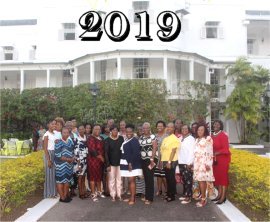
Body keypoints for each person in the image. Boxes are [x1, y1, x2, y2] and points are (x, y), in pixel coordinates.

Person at [120, 124, 142, 205]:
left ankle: (133, 198)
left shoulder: (134, 140)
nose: (129, 133)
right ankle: (131, 197)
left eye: (130, 131)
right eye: (127, 131)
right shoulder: (125, 139)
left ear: (133, 132)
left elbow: (136, 153)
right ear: (125, 132)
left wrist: (130, 163)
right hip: (125, 163)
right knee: (130, 181)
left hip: (132, 163)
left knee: (131, 180)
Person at [193, 124, 215, 207]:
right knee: (199, 180)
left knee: (202, 181)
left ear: (205, 131)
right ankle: (202, 195)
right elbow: (195, 152)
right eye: (198, 130)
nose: (200, 131)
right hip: (197, 163)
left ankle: (203, 199)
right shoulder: (196, 140)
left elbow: (210, 152)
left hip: (204, 163)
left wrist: (208, 164)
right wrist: (192, 163)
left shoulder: (208, 139)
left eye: (201, 130)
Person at [211, 120, 231, 204]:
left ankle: (223, 197)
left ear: (220, 126)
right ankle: (219, 195)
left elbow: (226, 149)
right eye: (214, 124)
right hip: (215, 160)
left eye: (218, 124)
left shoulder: (223, 135)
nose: (215, 125)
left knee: (223, 178)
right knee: (218, 177)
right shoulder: (212, 135)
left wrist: (216, 152)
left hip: (223, 159)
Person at [160, 122, 180, 202]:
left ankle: (172, 196)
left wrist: (169, 162)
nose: (169, 128)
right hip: (165, 160)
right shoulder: (166, 138)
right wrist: (162, 161)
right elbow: (162, 150)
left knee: (171, 178)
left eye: (171, 127)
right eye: (168, 127)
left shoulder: (174, 138)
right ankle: (169, 193)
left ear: (174, 129)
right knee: (167, 178)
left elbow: (173, 151)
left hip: (171, 161)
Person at [54, 127, 75, 203]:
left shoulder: (70, 141)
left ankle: (65, 196)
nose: (66, 134)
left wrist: (72, 158)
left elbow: (72, 152)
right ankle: (62, 197)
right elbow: (57, 155)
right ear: (61, 133)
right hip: (60, 165)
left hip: (69, 165)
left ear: (69, 133)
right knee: (60, 181)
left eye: (67, 132)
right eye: (64, 132)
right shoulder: (58, 142)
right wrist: (68, 159)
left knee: (67, 182)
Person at [139, 122, 157, 204]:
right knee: (146, 178)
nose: (145, 129)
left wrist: (152, 159)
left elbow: (154, 148)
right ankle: (147, 195)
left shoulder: (153, 136)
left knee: (150, 178)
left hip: (151, 160)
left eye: (147, 128)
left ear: (150, 128)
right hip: (143, 160)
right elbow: (140, 149)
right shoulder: (141, 137)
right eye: (144, 128)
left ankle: (149, 198)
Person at [105, 125, 124, 201]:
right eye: (113, 130)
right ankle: (113, 195)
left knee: (119, 179)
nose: (115, 131)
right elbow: (106, 153)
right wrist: (108, 164)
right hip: (111, 163)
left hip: (120, 163)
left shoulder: (121, 138)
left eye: (116, 130)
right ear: (110, 131)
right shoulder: (107, 140)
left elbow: (123, 151)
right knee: (112, 180)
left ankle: (119, 195)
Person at [87, 124, 105, 202]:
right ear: (93, 130)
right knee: (93, 177)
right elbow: (92, 150)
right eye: (95, 129)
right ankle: (93, 193)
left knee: (99, 177)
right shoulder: (90, 138)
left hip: (100, 162)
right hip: (92, 161)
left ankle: (99, 192)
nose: (97, 131)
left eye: (99, 129)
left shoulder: (101, 138)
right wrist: (101, 157)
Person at [178, 124, 195, 204]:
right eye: (182, 129)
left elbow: (192, 152)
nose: (184, 130)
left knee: (188, 180)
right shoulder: (181, 138)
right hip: (181, 162)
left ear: (188, 130)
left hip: (187, 163)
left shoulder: (191, 139)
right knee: (184, 180)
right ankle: (185, 195)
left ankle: (189, 197)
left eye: (186, 128)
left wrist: (189, 163)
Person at [43, 120, 57, 198]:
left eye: (55, 124)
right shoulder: (46, 135)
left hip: (53, 154)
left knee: (53, 175)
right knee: (48, 175)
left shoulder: (54, 134)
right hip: (48, 154)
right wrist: (48, 160)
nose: (54, 125)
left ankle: (53, 193)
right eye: (52, 124)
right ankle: (48, 194)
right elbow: (45, 148)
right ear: (48, 125)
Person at [74, 125, 89, 199]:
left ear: (84, 130)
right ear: (78, 131)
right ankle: (81, 193)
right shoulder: (76, 139)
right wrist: (79, 164)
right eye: (79, 129)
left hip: (86, 160)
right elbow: (76, 152)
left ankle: (84, 191)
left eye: (82, 129)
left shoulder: (86, 137)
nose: (81, 130)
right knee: (80, 177)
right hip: (79, 161)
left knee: (83, 177)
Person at [154, 120, 167, 196]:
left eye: (161, 126)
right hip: (156, 158)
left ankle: (167, 190)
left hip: (164, 158)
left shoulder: (166, 136)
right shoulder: (154, 136)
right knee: (158, 175)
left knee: (164, 175)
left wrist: (162, 159)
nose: (159, 127)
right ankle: (159, 190)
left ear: (164, 127)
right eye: (158, 126)